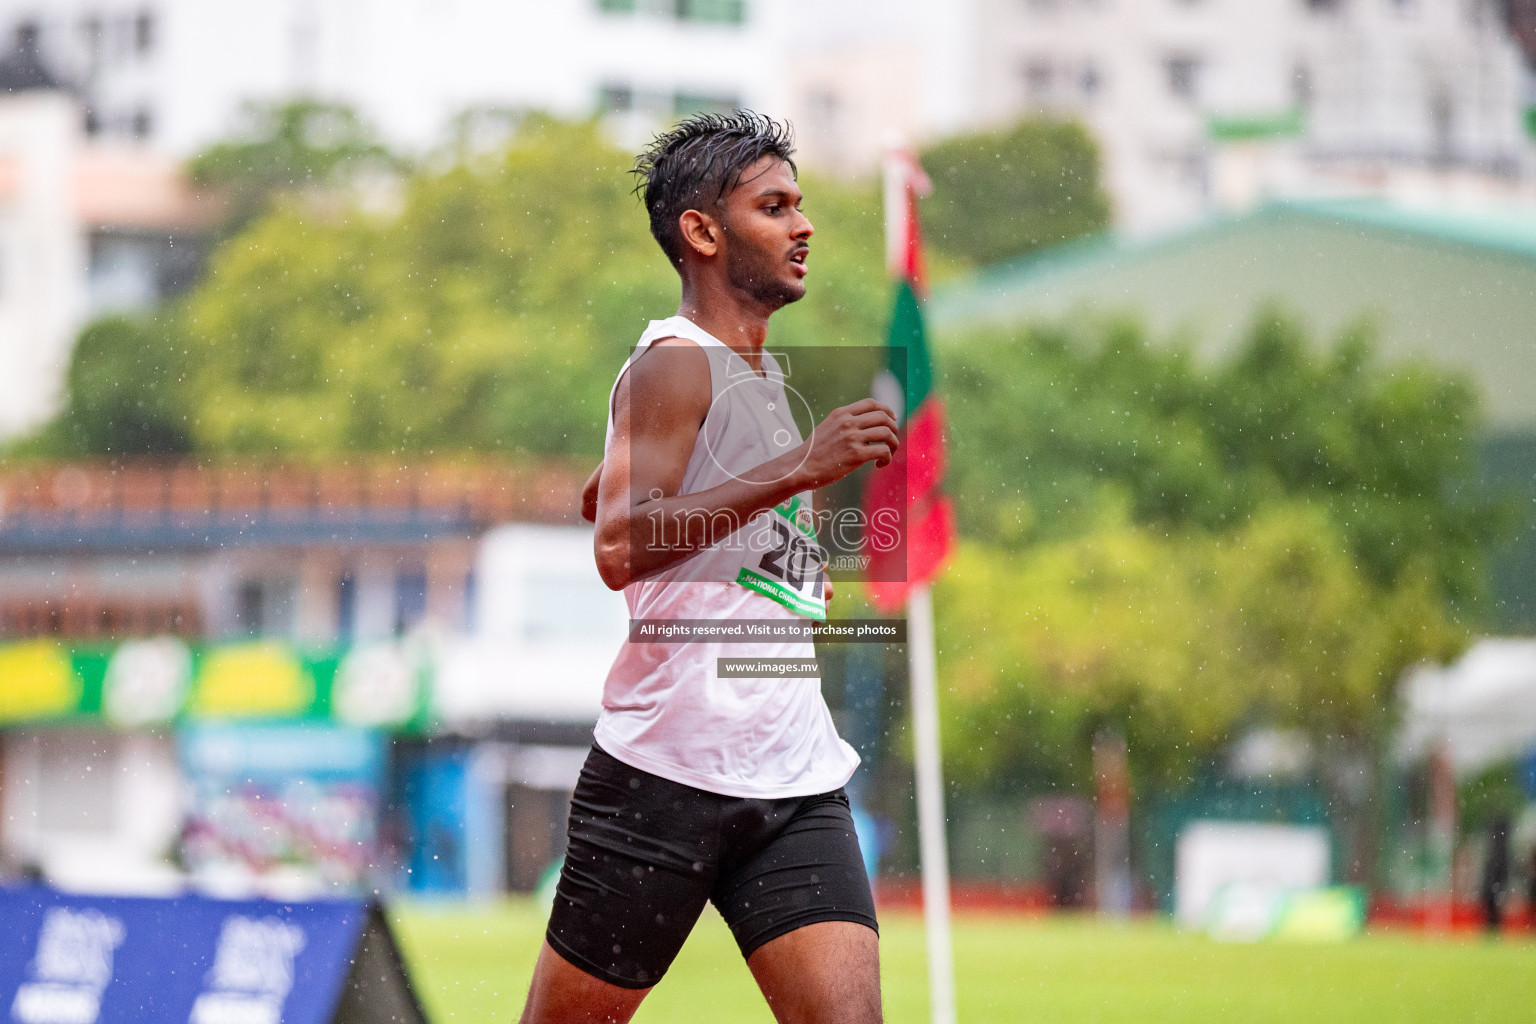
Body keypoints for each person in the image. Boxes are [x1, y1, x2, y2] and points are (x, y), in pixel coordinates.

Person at [518, 112, 899, 1024]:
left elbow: (627, 508)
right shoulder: (674, 367)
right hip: (663, 782)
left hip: (792, 780)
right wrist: (800, 467)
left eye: (800, 206)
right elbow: (618, 550)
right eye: (774, 208)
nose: (804, 227)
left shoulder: (757, 383)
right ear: (702, 230)